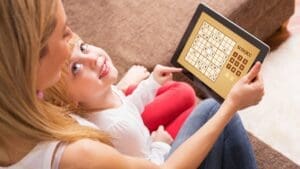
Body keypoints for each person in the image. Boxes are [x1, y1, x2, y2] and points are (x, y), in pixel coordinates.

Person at [0, 0, 264, 169]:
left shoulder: (26, 109)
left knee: (184, 93)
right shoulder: (78, 155)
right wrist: (231, 105)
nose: (72, 40)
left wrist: (130, 87)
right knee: (212, 111)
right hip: (153, 156)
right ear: (31, 59)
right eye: (65, 32)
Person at [44, 34, 196, 164]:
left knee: (185, 92)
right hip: (149, 151)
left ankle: (130, 85)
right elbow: (151, 165)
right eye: (76, 68)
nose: (93, 58)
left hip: (137, 129)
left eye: (83, 48)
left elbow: (128, 107)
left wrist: (152, 83)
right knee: (201, 112)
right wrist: (160, 145)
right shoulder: (119, 128)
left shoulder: (103, 97)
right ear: (69, 99)